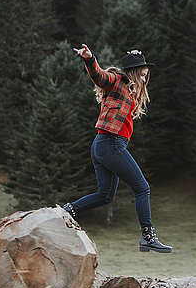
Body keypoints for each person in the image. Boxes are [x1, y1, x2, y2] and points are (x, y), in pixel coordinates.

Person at [64, 43, 173, 253]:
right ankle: (148, 237)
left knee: (105, 195)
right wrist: (89, 58)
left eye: (145, 75)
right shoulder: (117, 82)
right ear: (132, 73)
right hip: (109, 143)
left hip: (102, 145)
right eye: (141, 74)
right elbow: (99, 76)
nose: (144, 79)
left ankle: (67, 211)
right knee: (142, 188)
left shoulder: (130, 92)